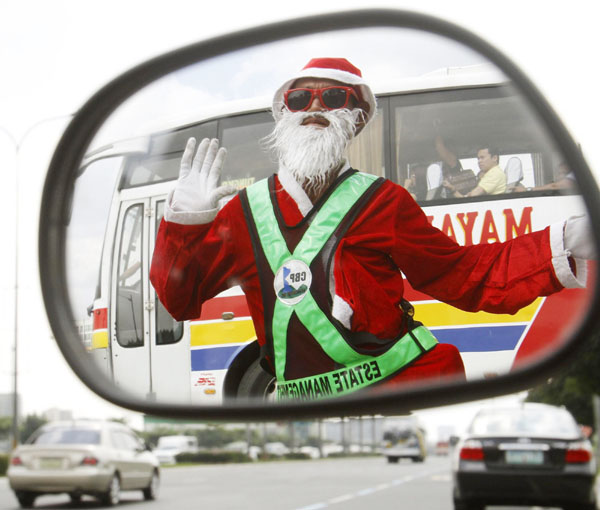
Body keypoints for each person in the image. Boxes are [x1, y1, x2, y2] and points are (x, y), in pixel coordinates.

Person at [150, 57, 592, 400]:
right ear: (284, 115)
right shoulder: (242, 212)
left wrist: (567, 239)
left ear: (357, 118)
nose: (315, 108)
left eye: (334, 98)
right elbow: (180, 299)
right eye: (301, 100)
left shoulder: (385, 201)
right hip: (300, 412)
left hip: (398, 393)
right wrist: (183, 225)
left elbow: (465, 275)